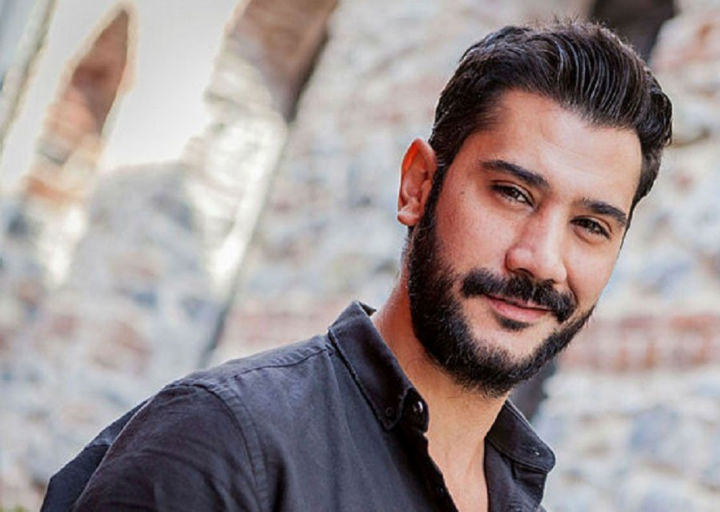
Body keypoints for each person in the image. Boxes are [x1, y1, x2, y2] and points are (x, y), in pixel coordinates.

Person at [42, 20, 672, 512]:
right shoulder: (222, 443)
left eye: (591, 226)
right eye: (512, 193)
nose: (541, 260)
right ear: (418, 185)